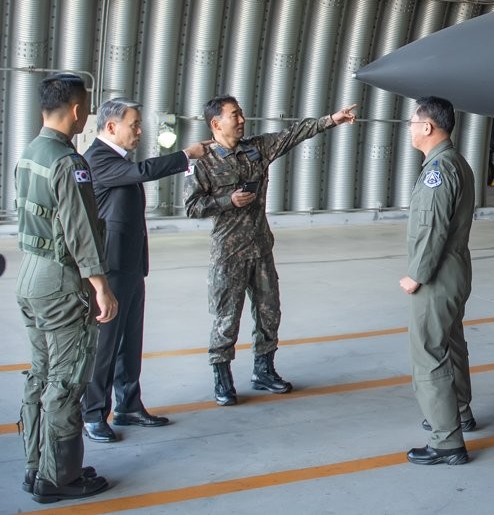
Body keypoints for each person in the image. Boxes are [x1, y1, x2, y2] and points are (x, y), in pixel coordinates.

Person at [184, 96, 356, 406]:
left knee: (269, 311)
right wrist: (227, 202)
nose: (241, 119)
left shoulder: (257, 148)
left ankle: (264, 371)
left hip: (261, 247)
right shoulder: (203, 162)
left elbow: (293, 134)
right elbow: (191, 207)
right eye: (234, 115)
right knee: (226, 317)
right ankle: (222, 379)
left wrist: (332, 119)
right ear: (215, 123)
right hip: (228, 254)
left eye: (241, 113)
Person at [14, 74, 116, 503]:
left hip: (30, 278)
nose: (87, 115)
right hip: (60, 283)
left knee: (40, 375)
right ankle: (61, 481)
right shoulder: (69, 163)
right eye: (87, 108)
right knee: (67, 381)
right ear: (77, 111)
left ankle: (38, 468)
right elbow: (80, 233)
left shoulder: (29, 155)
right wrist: (101, 287)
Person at [81, 98, 208, 443]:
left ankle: (128, 405)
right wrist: (186, 155)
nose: (140, 131)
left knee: (130, 341)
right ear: (111, 127)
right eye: (134, 124)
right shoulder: (98, 159)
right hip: (112, 269)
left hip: (132, 266)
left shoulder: (117, 160)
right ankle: (93, 413)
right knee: (106, 344)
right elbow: (144, 172)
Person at [401, 97, 476, 466]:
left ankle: (446, 442)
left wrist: (416, 275)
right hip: (457, 270)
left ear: (428, 127)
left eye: (413, 122)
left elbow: (432, 229)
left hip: (437, 274)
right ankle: (459, 413)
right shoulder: (455, 162)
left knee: (428, 353)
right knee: (452, 344)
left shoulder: (437, 171)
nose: (410, 128)